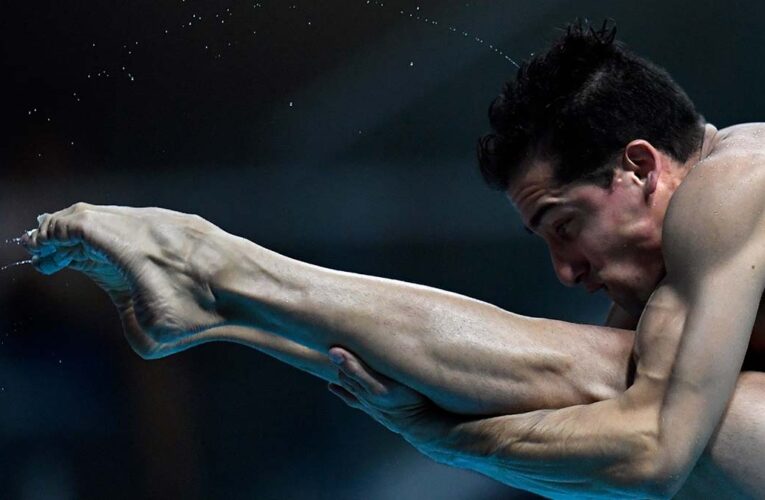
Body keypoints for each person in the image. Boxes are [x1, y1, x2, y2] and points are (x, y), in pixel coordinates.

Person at [20, 20, 763, 498]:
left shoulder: (732, 183)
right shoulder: (685, 278)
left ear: (638, 166)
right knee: (605, 387)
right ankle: (226, 299)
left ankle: (215, 266)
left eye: (562, 224)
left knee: (623, 393)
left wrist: (446, 441)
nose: (565, 270)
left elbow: (654, 457)